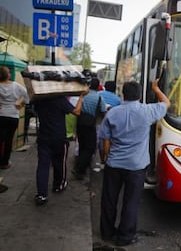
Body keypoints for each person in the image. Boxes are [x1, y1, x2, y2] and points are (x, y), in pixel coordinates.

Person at [99, 79, 170, 246]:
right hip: (136, 167)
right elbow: (167, 103)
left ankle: (107, 233)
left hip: (114, 164)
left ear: (123, 94)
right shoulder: (148, 111)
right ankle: (125, 236)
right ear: (139, 95)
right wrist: (155, 88)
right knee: (131, 202)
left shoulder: (112, 113)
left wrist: (104, 158)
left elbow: (104, 140)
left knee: (109, 200)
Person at [33, 92, 87, 206]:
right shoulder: (59, 100)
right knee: (59, 163)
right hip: (58, 138)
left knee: (43, 165)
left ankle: (41, 195)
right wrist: (81, 97)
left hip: (43, 138)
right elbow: (77, 111)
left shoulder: (39, 100)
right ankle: (58, 185)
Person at [72, 78, 106, 180]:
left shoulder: (83, 94)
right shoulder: (99, 97)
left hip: (79, 122)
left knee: (82, 145)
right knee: (90, 148)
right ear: (98, 86)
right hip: (90, 125)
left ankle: (80, 169)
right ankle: (79, 169)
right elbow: (103, 111)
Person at [0, 66, 29, 169]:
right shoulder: (16, 86)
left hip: (1, 115)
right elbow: (27, 95)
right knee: (9, 140)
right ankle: (4, 162)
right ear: (8, 75)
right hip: (13, 116)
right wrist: (21, 104)